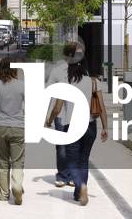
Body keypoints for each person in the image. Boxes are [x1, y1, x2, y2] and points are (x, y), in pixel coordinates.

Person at [44, 48, 107, 206]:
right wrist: (105, 127)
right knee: (83, 160)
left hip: (71, 126)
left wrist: (49, 120)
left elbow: (58, 107)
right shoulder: (94, 82)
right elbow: (101, 106)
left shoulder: (66, 83)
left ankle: (81, 186)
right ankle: (79, 193)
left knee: (72, 161)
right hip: (90, 126)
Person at [0, 56, 25, 205]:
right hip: (18, 127)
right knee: (17, 160)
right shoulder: (22, 86)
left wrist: (2, 113)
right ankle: (17, 186)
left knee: (3, 161)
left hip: (1, 126)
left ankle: (4, 194)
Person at [46, 41, 77, 187]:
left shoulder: (57, 71)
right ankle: (71, 176)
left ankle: (62, 176)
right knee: (74, 145)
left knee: (62, 146)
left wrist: (47, 117)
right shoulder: (82, 71)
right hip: (78, 113)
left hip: (61, 115)